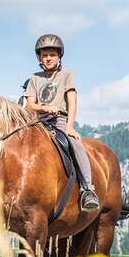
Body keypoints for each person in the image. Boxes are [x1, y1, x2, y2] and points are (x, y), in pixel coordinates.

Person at [24, 34, 99, 211]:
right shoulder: (35, 78)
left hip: (59, 121)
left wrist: (70, 126)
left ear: (59, 56)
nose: (48, 58)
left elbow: (72, 102)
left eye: (52, 54)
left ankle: (88, 189)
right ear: (39, 58)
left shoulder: (66, 75)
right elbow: (29, 105)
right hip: (37, 121)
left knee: (75, 143)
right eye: (44, 55)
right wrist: (45, 108)